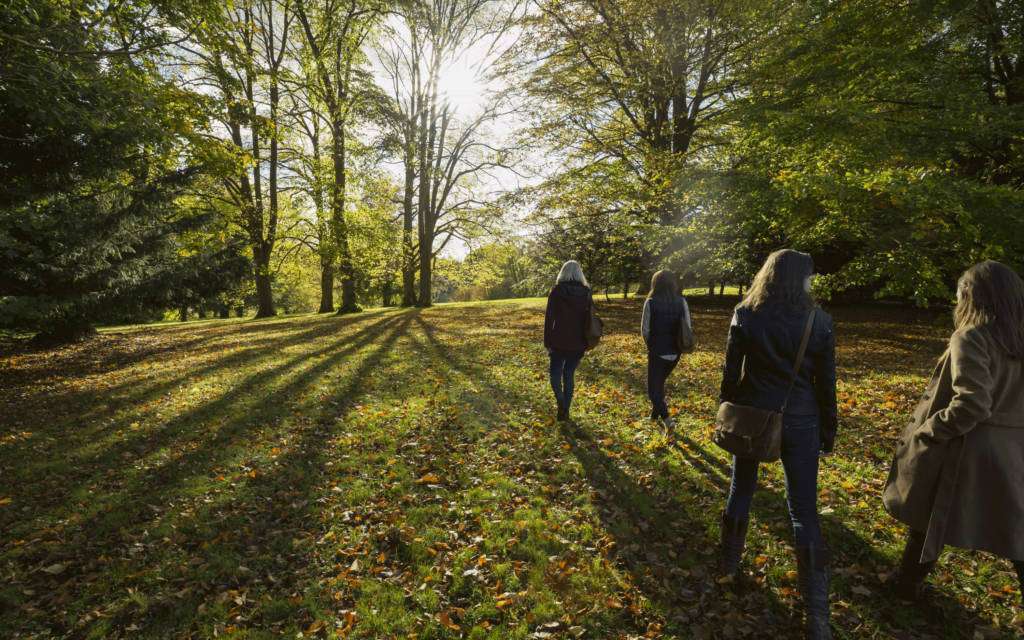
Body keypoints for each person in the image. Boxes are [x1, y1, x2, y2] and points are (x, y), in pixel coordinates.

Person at [882, 260, 1024, 607]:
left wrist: (930, 431)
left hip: (968, 449)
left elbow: (973, 404)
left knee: (934, 514)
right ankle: (906, 583)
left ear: (973, 296)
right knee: (1017, 535)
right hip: (1013, 451)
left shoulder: (972, 336)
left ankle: (905, 586)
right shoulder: (1016, 339)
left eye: (961, 293)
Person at [717, 249, 838, 640]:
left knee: (741, 490)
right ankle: (817, 613)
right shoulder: (818, 321)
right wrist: (828, 427)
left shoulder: (747, 314)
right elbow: (826, 383)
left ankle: (728, 565)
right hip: (802, 420)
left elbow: (730, 370)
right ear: (801, 278)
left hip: (754, 414)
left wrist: (730, 406)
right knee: (804, 509)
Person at [640, 270, 691, 431]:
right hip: (675, 352)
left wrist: (651, 346)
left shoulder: (651, 302)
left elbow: (645, 330)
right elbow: (688, 327)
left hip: (657, 351)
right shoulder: (682, 301)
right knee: (659, 384)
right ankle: (654, 416)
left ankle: (668, 420)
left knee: (653, 391)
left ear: (655, 283)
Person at [543, 260, 593, 421]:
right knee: (569, 374)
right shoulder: (586, 292)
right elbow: (589, 318)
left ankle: (562, 404)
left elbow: (549, 319)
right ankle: (565, 408)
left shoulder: (557, 291)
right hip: (578, 341)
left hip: (558, 339)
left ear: (563, 272)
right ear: (579, 273)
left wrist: (547, 341)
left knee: (555, 374)